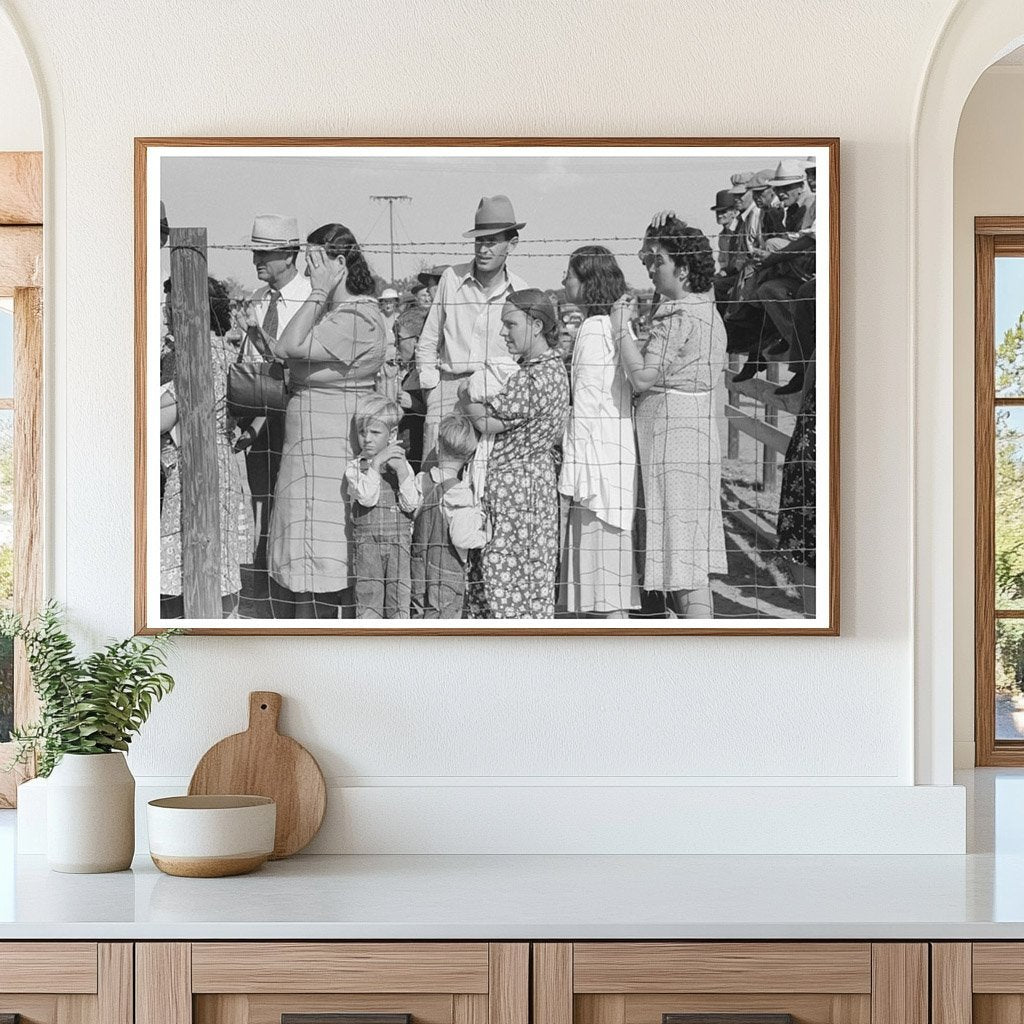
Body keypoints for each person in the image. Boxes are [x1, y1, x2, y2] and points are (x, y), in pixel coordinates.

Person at [267, 222, 387, 619]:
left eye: (315, 262)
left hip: (327, 454)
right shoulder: (340, 314)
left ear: (339, 262)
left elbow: (287, 346)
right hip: (310, 455)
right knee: (305, 558)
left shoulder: (356, 316)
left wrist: (318, 291)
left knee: (321, 556)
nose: (306, 272)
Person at [612, 215, 728, 619]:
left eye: (656, 260)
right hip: (693, 430)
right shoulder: (706, 309)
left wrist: (619, 331)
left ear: (682, 266)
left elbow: (643, 376)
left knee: (680, 551)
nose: (649, 267)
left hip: (672, 438)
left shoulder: (679, 315)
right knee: (686, 547)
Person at [463, 289, 569, 618]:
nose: (503, 332)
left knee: (504, 582)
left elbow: (488, 422)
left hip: (514, 492)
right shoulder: (549, 370)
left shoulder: (534, 378)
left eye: (510, 324)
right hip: (532, 488)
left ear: (536, 325)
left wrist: (464, 396)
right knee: (529, 581)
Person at [160, 276, 253, 619]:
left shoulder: (200, 354)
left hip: (197, 468)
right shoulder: (218, 350)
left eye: (173, 309)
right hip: (213, 464)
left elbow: (161, 416)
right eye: (166, 308)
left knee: (196, 564)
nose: (168, 316)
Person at [232, 215, 312, 596]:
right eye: (254, 252)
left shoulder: (312, 298)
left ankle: (291, 582)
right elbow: (254, 372)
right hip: (262, 418)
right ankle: (265, 579)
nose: (256, 261)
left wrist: (257, 335)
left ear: (290, 253)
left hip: (298, 413)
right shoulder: (258, 300)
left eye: (266, 253)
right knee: (260, 498)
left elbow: (292, 364)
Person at [557, 246, 640, 617]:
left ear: (588, 283)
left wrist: (568, 474)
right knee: (609, 579)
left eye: (570, 275)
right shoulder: (615, 327)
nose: (563, 281)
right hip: (614, 458)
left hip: (596, 470)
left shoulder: (593, 330)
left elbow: (586, 407)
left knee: (602, 587)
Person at [415, 195, 528, 460]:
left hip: (494, 395)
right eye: (479, 240)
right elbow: (429, 339)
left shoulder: (520, 291)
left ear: (511, 244)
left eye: (492, 242)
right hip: (448, 389)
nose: (484, 249)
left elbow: (523, 353)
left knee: (484, 478)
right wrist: (432, 389)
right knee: (436, 476)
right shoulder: (451, 278)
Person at [344, 394, 421, 619]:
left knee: (399, 602)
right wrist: (376, 465)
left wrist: (403, 472)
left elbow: (411, 505)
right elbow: (367, 498)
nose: (367, 439)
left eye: (375, 433)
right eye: (362, 432)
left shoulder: (402, 465)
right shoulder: (356, 467)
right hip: (368, 547)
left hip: (399, 546)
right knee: (369, 601)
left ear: (392, 435)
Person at [411, 411, 487, 618]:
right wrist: (485, 536)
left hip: (418, 568)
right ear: (470, 456)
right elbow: (461, 538)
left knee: (420, 616)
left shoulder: (421, 481)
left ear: (437, 446)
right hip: (448, 574)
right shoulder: (460, 493)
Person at [394, 305, 428, 471]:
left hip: (421, 455)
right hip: (407, 453)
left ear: (417, 340)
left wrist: (415, 405)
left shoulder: (429, 375)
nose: (396, 344)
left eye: (399, 339)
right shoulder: (410, 374)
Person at [376, 287, 402, 401]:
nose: (388, 305)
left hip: (396, 360)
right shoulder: (378, 317)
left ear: (395, 303)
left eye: (390, 302)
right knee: (381, 389)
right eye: (385, 302)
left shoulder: (399, 317)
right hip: (381, 359)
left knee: (396, 390)